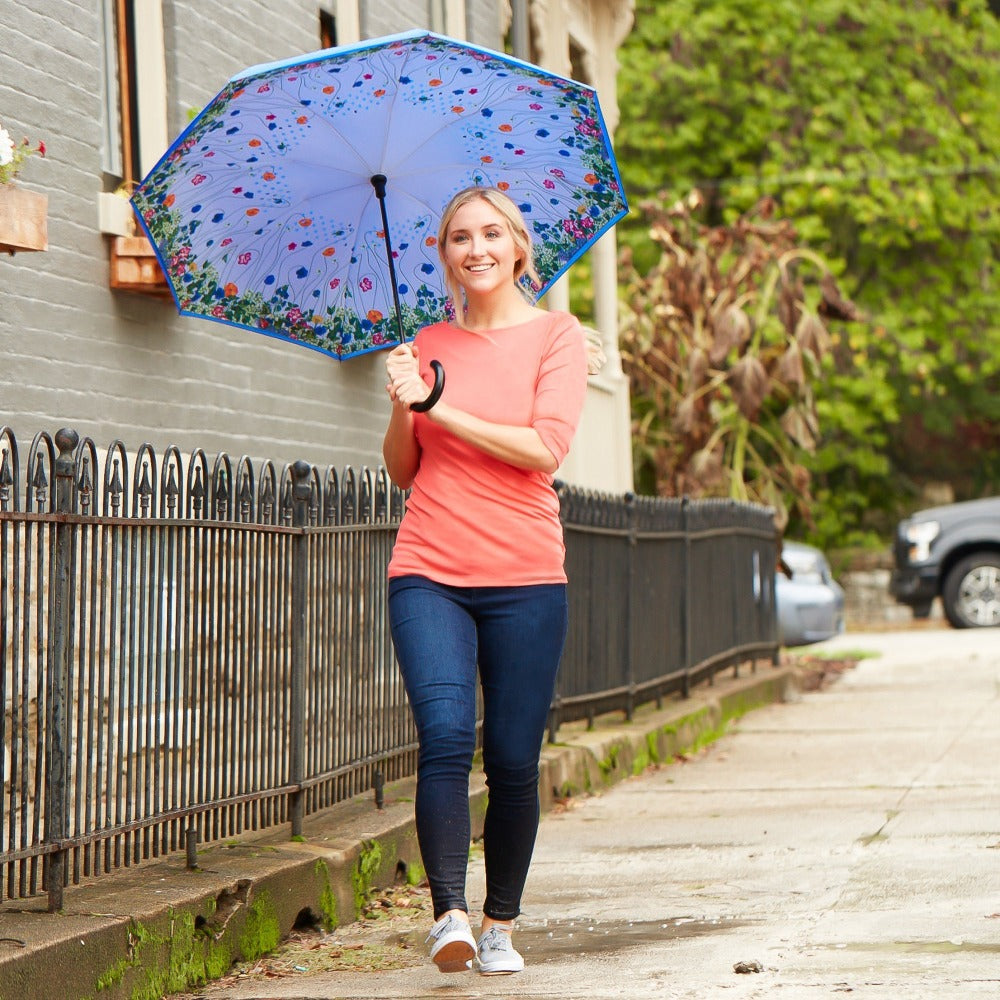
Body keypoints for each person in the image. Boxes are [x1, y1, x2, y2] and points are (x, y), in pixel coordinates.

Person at [381, 185, 588, 976]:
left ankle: (500, 922)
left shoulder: (557, 336)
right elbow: (404, 472)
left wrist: (443, 401)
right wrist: (406, 404)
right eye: (461, 237)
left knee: (509, 756)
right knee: (442, 737)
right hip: (428, 568)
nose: (477, 248)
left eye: (491, 234)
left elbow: (545, 448)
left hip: (525, 576)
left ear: (517, 247)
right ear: (445, 255)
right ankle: (451, 919)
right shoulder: (423, 342)